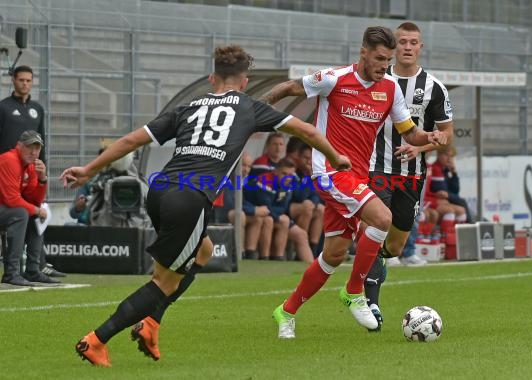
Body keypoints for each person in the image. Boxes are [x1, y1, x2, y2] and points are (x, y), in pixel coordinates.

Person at [62, 44, 350, 366]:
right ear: (244, 81)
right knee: (163, 282)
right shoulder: (249, 107)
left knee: (204, 250)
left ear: (212, 78)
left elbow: (132, 141)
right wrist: (336, 156)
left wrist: (88, 169)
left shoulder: (188, 107)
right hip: (190, 199)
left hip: (160, 190)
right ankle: (97, 340)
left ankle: (152, 324)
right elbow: (307, 130)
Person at [260, 25, 447, 339]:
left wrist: (429, 136)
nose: (383, 67)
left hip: (358, 176)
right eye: (378, 59)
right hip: (330, 172)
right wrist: (254, 114)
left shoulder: (389, 88)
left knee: (333, 254)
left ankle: (287, 311)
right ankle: (354, 291)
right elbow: (288, 88)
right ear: (363, 52)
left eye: (387, 61)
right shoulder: (333, 79)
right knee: (382, 218)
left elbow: (409, 132)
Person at [363, 22, 455, 331]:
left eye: (413, 42)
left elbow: (447, 133)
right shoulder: (377, 79)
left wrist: (422, 147)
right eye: (402, 41)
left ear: (420, 47)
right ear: (394, 46)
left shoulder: (433, 87)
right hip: (376, 167)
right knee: (378, 223)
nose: (407, 47)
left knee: (396, 246)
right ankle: (371, 302)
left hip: (412, 175)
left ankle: (378, 260)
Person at [0, 65, 65, 278]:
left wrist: (42, 175)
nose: (25, 84)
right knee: (23, 210)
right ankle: (14, 270)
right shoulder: (3, 107)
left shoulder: (38, 109)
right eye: (21, 80)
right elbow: (11, 198)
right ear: (14, 81)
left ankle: (35, 268)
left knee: (36, 208)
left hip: (27, 174)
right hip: (7, 173)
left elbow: (41, 142)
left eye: (29, 80)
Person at [0, 131, 59, 286]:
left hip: (4, 209)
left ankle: (32, 270)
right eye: (29, 147)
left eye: (37, 148)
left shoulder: (31, 165)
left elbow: (35, 200)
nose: (33, 152)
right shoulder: (9, 160)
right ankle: (11, 273)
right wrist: (36, 210)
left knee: (34, 212)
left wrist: (42, 179)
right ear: (19, 145)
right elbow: (12, 199)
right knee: (21, 213)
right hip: (5, 207)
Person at [432, 146, 474, 223]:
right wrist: (450, 196)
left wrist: (454, 173)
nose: (449, 159)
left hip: (445, 200)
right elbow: (442, 192)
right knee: (462, 203)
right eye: (446, 155)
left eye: (451, 156)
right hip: (434, 200)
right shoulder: (436, 168)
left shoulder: (445, 170)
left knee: (463, 205)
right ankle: (470, 225)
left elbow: (455, 190)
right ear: (439, 155)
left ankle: (469, 225)